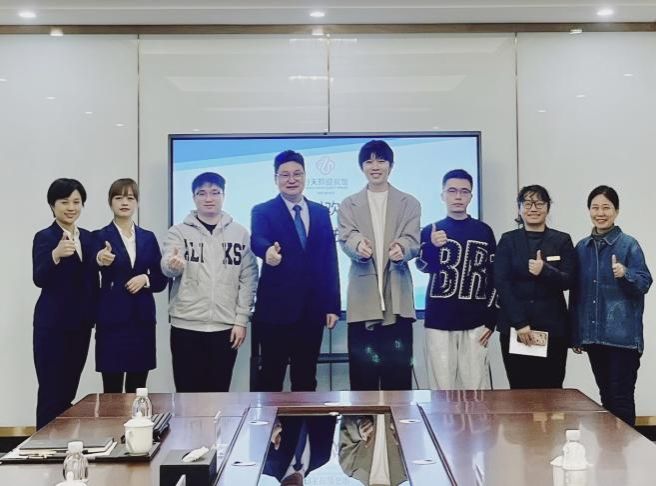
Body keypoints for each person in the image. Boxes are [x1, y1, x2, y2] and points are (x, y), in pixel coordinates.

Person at [251, 150, 340, 392]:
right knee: (271, 377)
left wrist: (332, 305)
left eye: (297, 174)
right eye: (285, 175)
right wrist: (267, 252)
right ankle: (270, 419)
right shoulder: (263, 210)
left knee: (306, 378)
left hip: (311, 311)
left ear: (305, 176)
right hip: (275, 312)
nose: (291, 179)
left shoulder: (321, 212)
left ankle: (302, 419)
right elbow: (257, 239)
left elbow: (329, 259)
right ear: (276, 179)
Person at [161, 172, 258, 392]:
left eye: (215, 192)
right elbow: (167, 264)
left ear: (224, 195)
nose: (208, 198)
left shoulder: (240, 233)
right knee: (187, 395)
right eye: (202, 193)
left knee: (219, 394)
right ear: (193, 197)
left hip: (225, 327)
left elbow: (249, 278)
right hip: (186, 326)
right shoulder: (178, 231)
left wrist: (241, 321)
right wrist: (173, 265)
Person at [338, 140, 420, 391]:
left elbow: (413, 240)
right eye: (369, 161)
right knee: (363, 379)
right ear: (362, 167)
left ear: (391, 165)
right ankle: (366, 420)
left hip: (398, 302)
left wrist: (402, 248)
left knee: (399, 380)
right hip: (363, 302)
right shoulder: (348, 204)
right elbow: (346, 237)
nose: (375, 167)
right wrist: (358, 246)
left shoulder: (409, 202)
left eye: (381, 161)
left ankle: (397, 420)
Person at [571, 185, 651, 425]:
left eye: (606, 207)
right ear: (588, 210)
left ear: (616, 211)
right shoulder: (581, 247)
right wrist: (576, 335)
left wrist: (625, 273)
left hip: (623, 339)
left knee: (621, 399)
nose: (600, 213)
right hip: (594, 338)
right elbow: (577, 294)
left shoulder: (629, 245)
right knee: (606, 399)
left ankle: (626, 448)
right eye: (595, 207)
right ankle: (611, 448)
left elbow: (645, 282)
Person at [416, 169, 496, 390]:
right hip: (439, 320)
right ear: (442, 195)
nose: (458, 197)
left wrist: (492, 319)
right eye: (452, 191)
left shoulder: (484, 231)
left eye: (464, 191)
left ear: (471, 196)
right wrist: (432, 246)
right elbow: (423, 267)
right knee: (441, 388)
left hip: (476, 320)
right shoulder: (431, 230)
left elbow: (493, 276)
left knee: (476, 387)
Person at [495, 185, 576, 389]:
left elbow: (569, 280)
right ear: (519, 208)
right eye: (528, 203)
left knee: (552, 391)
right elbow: (502, 283)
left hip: (552, 330)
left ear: (548, 207)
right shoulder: (508, 240)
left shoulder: (562, 240)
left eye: (539, 203)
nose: (533, 208)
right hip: (517, 329)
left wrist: (545, 270)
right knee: (520, 391)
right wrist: (520, 323)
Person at [32, 178, 98, 429]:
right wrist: (55, 255)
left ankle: (62, 442)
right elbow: (39, 277)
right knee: (50, 391)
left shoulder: (89, 238)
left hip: (80, 327)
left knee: (69, 391)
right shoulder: (45, 237)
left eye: (76, 202)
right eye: (64, 202)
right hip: (52, 327)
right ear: (52, 205)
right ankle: (43, 445)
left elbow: (92, 281)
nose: (71, 207)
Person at [94, 178, 168, 393]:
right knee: (112, 389)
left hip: (141, 320)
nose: (124, 202)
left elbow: (161, 278)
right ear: (110, 202)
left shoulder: (148, 237)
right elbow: (88, 269)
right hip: (111, 320)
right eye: (118, 198)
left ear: (137, 202)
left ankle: (137, 418)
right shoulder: (99, 236)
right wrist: (99, 259)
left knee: (138, 387)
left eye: (130, 198)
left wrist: (145, 279)